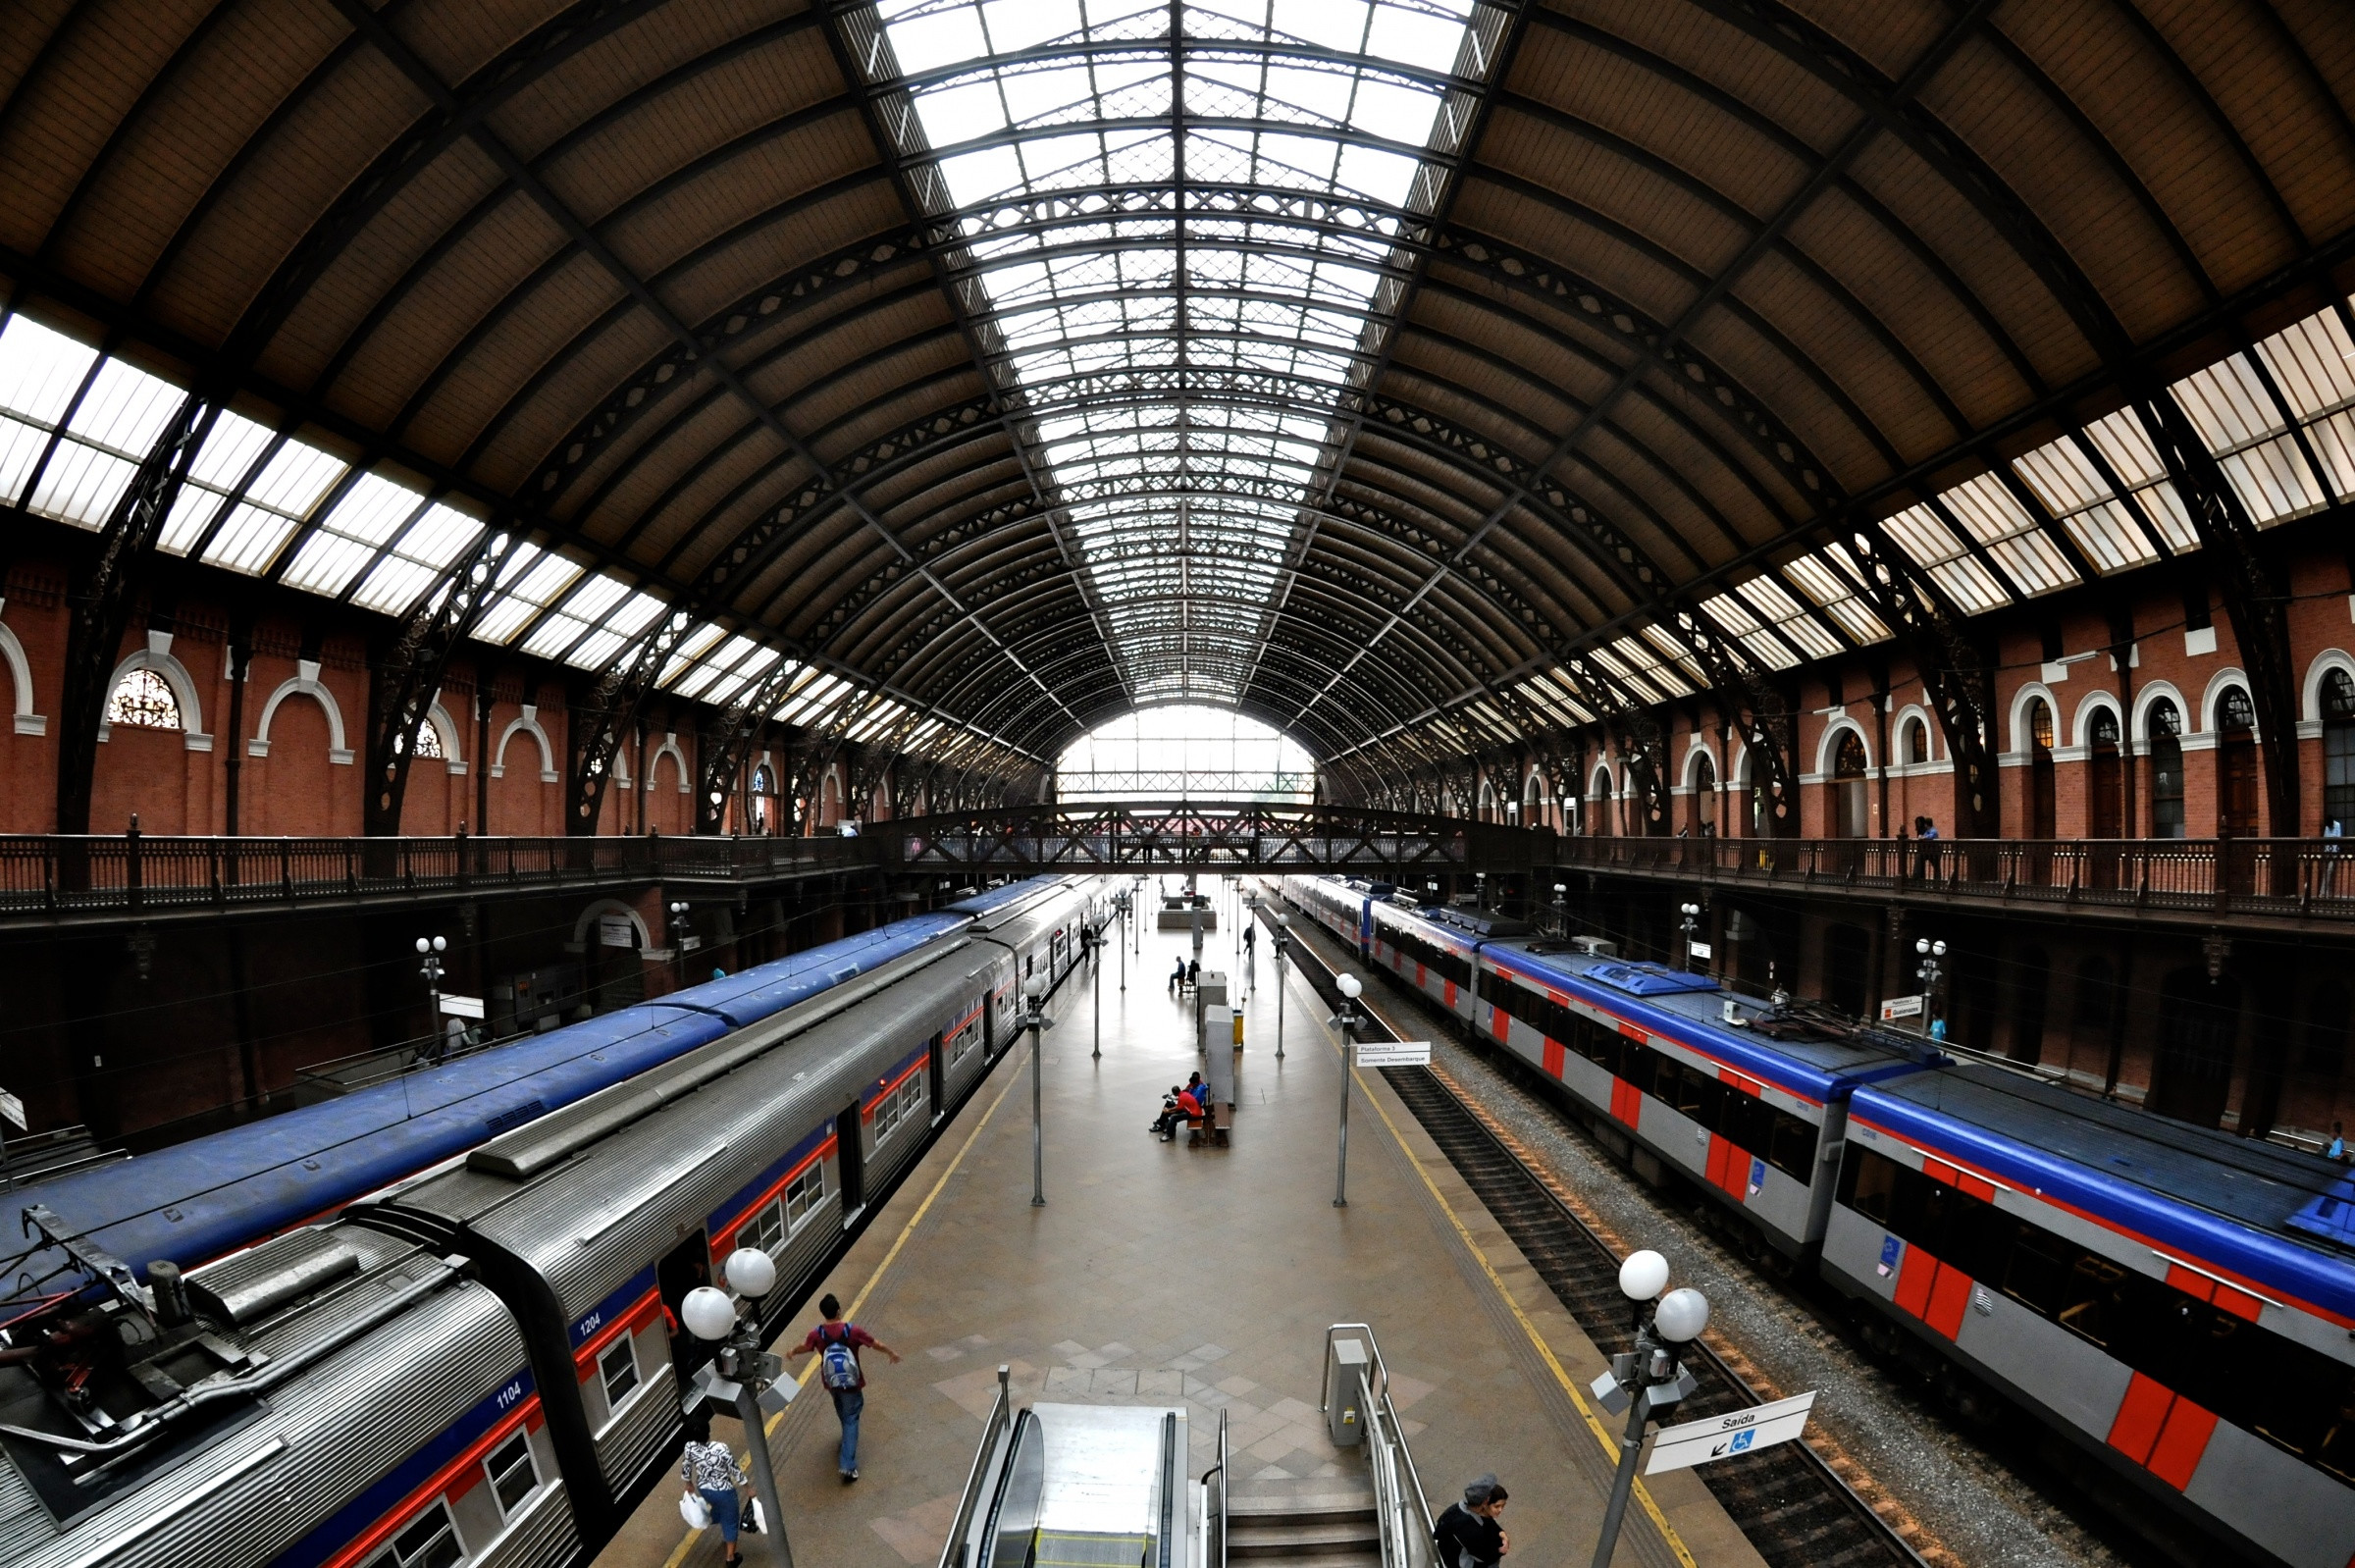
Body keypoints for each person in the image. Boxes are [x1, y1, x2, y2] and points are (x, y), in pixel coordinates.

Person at [785, 1292, 901, 1482]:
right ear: (839, 1310)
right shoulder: (852, 1331)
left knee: (842, 1411)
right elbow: (874, 1343)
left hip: (831, 1382)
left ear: (823, 1313)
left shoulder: (817, 1334)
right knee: (851, 1419)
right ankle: (847, 1466)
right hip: (852, 1384)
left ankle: (846, 1442)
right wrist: (891, 1353)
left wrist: (792, 1352)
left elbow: (805, 1347)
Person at [679, 1408, 749, 1566]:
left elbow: (686, 1466)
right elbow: (734, 1469)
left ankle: (709, 1518)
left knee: (719, 1509)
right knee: (731, 1522)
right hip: (724, 1492)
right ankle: (731, 1558)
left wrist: (688, 1483)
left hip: (705, 1489)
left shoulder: (689, 1447)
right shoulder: (721, 1449)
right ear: (708, 1432)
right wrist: (747, 1487)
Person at [1433, 1474, 1509, 1566]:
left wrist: (1501, 1532)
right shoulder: (1473, 1530)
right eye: (1497, 1506)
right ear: (1485, 1501)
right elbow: (1488, 1556)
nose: (1500, 1510)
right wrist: (1502, 1549)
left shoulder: (1456, 1509)